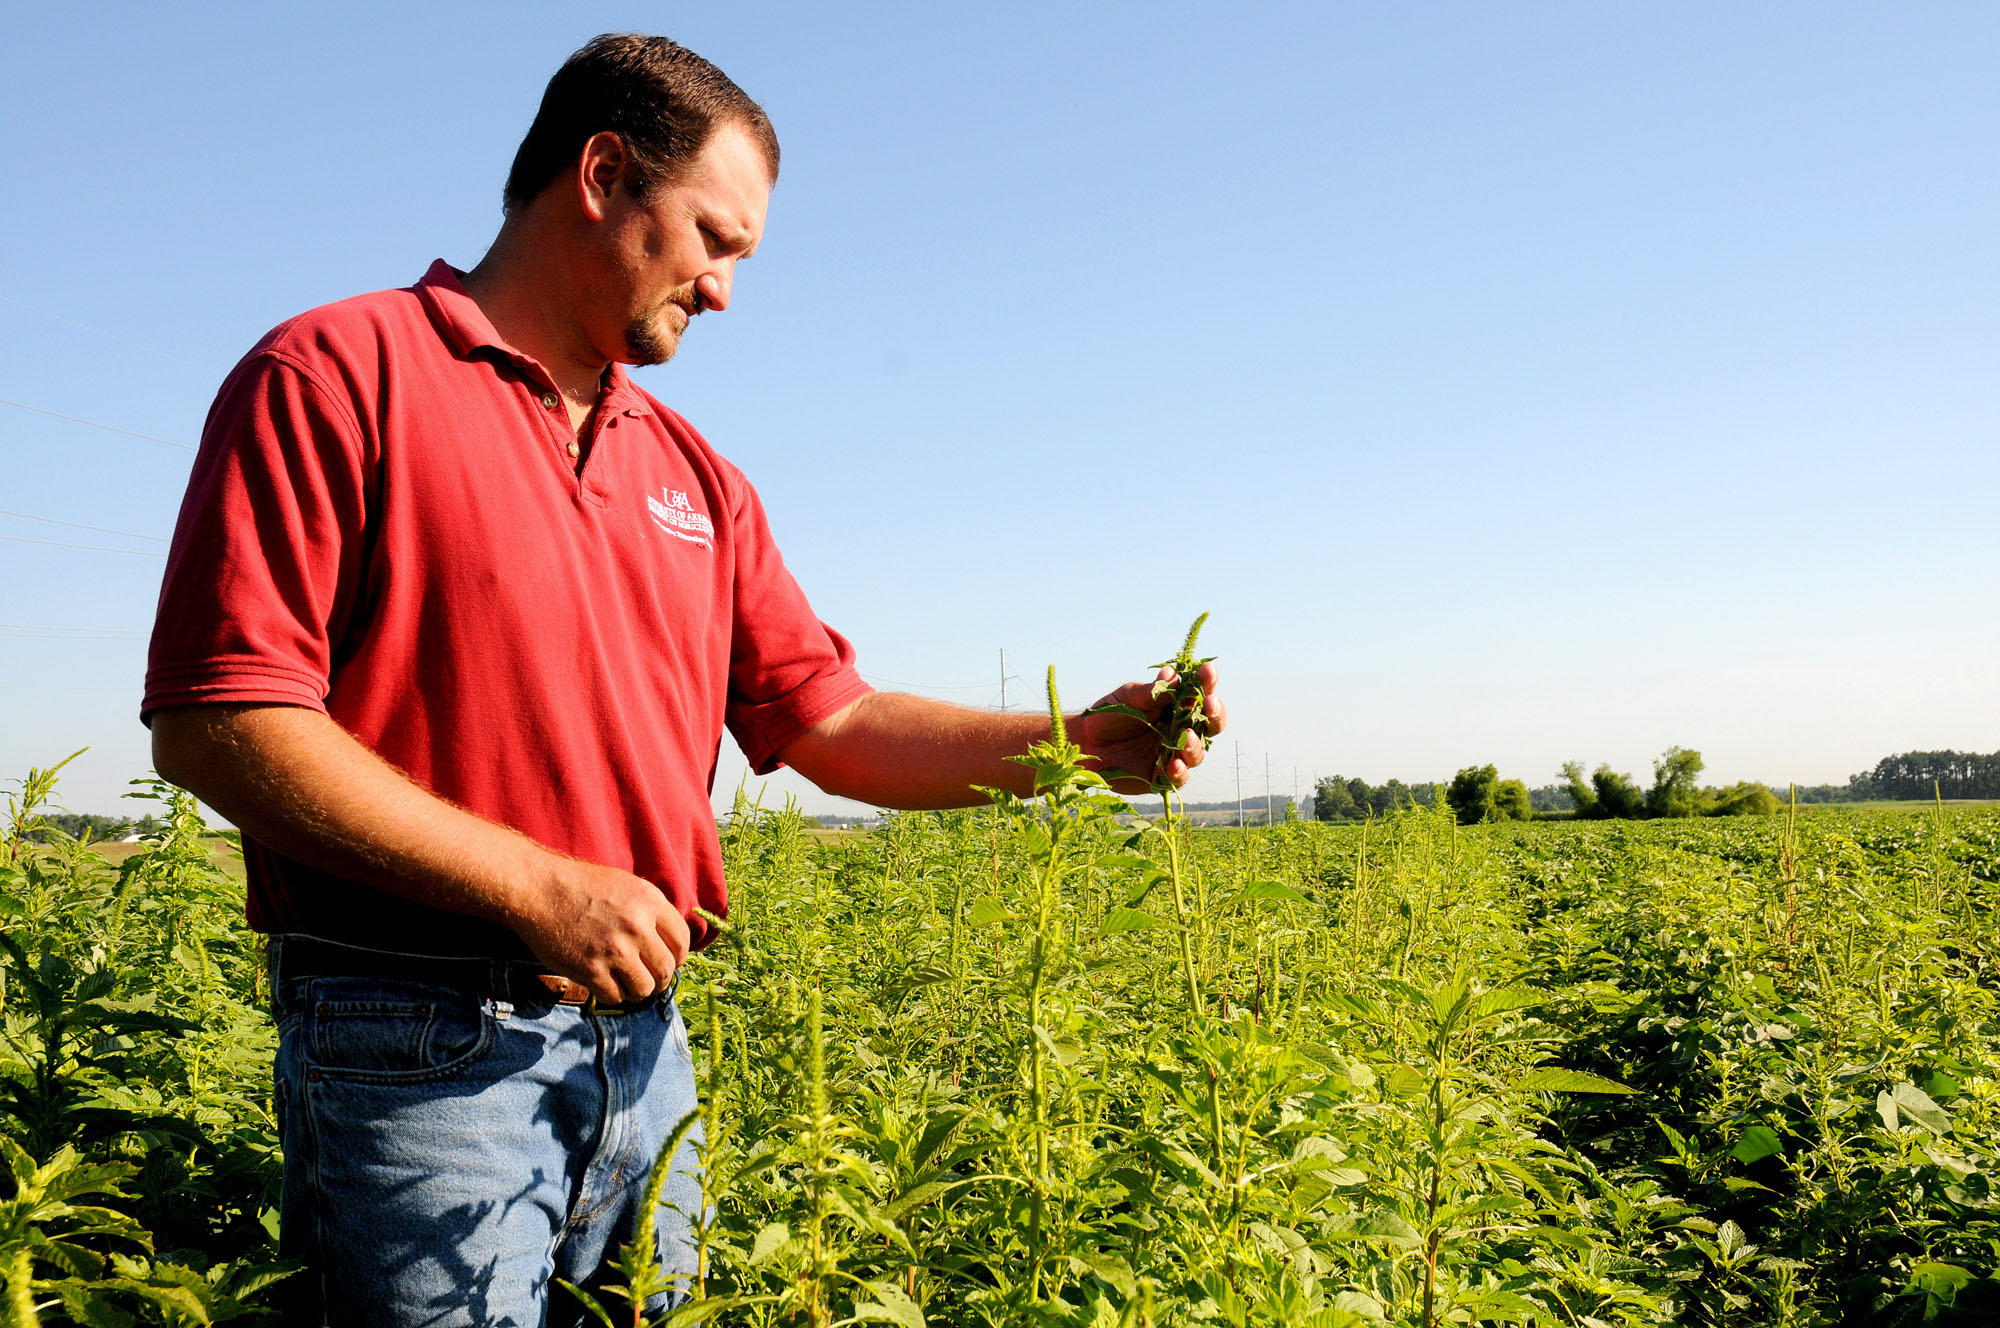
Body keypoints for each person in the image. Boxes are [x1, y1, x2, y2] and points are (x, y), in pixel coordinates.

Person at [144, 32, 1224, 1327]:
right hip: (418, 1051)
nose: (723, 291)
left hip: (647, 1054)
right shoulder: (339, 377)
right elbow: (224, 720)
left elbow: (840, 721)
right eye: (713, 238)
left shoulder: (697, 477)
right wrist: (539, 888)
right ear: (602, 174)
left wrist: (1086, 743)